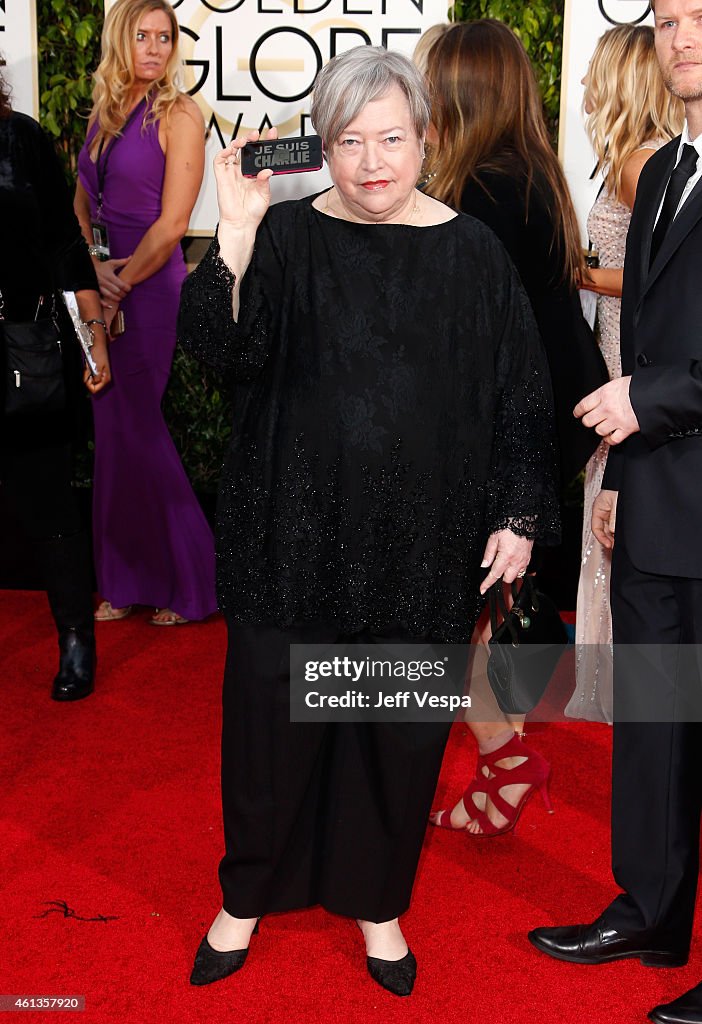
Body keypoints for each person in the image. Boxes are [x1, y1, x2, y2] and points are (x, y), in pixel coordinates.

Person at [178, 45, 558, 996]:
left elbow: (521, 392)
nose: (372, 161)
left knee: (392, 730)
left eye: (392, 138)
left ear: (427, 140)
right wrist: (233, 232)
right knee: (272, 725)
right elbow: (219, 358)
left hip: (420, 540)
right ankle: (248, 894)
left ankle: (377, 902)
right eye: (350, 140)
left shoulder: (470, 252)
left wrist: (517, 511)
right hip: (290, 532)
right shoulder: (288, 237)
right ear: (325, 147)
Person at [529, 4, 702, 1022]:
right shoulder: (670, 167)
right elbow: (649, 336)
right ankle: (651, 907)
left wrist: (648, 403)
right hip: (659, 498)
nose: (684, 39)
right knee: (654, 722)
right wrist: (625, 477)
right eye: (671, 19)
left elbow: (657, 374)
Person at [422, 19, 595, 836]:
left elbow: (460, 344)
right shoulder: (531, 173)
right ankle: (506, 758)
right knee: (483, 608)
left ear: (459, 89)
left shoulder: (481, 192)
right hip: (544, 417)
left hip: (502, 432)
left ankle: (502, 754)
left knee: (435, 615)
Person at [74, 0, 216, 627]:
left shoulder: (181, 114)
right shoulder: (102, 113)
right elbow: (80, 201)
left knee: (142, 430)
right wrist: (91, 267)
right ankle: (127, 579)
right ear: (119, 39)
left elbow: (174, 224)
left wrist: (119, 284)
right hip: (101, 286)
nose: (155, 48)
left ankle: (193, 583)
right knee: (112, 436)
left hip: (149, 291)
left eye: (165, 37)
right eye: (142, 35)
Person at [567, 24, 682, 725]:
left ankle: (613, 682)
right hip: (621, 352)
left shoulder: (639, 166)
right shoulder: (640, 161)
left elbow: (651, 281)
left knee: (612, 508)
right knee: (608, 510)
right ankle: (609, 679)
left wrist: (572, 271)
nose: (583, 89)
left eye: (593, 76)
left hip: (628, 360)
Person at [0, 65, 111, 701]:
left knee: (46, 498)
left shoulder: (21, 139)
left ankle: (75, 637)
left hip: (25, 346)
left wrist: (94, 338)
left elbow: (65, 244)